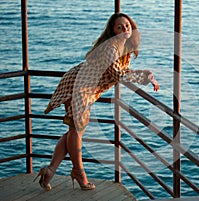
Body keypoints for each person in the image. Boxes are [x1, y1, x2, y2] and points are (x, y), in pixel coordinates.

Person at [34, 12, 160, 191]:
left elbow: (123, 71)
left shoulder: (124, 49)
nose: (124, 28)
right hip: (79, 86)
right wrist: (145, 77)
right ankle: (79, 173)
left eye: (127, 25)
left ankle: (50, 170)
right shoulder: (111, 49)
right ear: (113, 31)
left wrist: (145, 74)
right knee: (77, 130)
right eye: (119, 26)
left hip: (85, 86)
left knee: (74, 130)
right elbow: (118, 74)